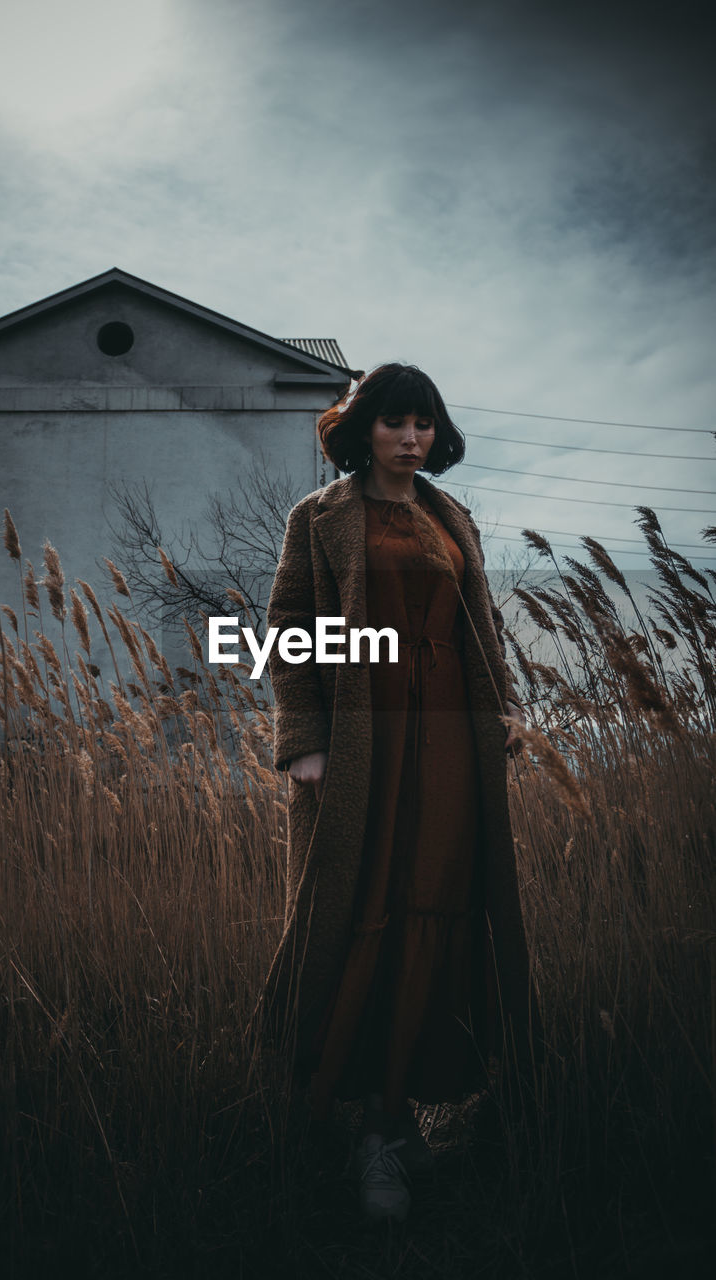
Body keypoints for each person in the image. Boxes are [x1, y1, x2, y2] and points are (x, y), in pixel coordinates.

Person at [256, 363, 543, 1223]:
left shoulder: (449, 516)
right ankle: (371, 1131)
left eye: (423, 423)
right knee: (365, 905)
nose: (410, 438)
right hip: (364, 733)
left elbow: (477, 623)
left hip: (451, 739)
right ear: (362, 430)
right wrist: (302, 740)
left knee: (441, 902)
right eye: (394, 423)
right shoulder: (319, 517)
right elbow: (288, 624)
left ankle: (410, 1111)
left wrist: (502, 712)